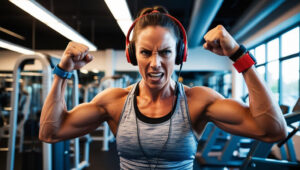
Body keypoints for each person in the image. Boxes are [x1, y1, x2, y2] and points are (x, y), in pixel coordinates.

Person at [39, 6, 287, 170]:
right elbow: (50, 133)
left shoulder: (198, 101)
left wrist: (238, 55)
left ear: (179, 54)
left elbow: (273, 131)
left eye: (166, 52)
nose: (155, 64)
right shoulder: (114, 101)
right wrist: (62, 72)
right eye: (145, 52)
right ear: (132, 55)